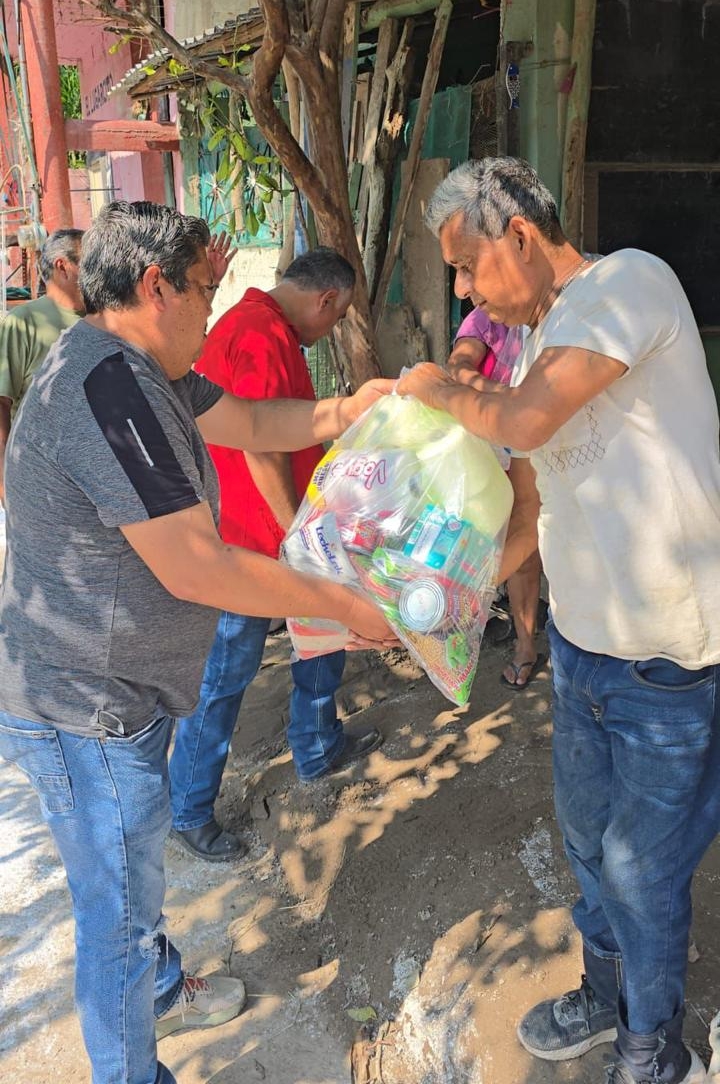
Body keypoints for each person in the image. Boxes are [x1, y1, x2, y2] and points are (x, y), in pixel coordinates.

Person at [0, 200, 396, 1084]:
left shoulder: (144, 370)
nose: (212, 315)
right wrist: (341, 603)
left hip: (112, 696)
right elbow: (196, 567)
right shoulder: (108, 390)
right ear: (156, 287)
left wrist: (345, 409)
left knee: (126, 893)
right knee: (115, 919)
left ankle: (163, 987)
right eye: (204, 294)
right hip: (85, 711)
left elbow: (249, 423)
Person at [397, 157, 719, 1084]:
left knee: (640, 872)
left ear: (522, 236)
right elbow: (533, 502)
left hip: (669, 659)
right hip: (583, 653)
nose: (464, 290)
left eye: (467, 267)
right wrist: (448, 606)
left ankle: (652, 1046)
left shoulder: (629, 283)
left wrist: (434, 389)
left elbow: (527, 424)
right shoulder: (543, 343)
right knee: (587, 848)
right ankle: (607, 996)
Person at [169, 247, 382, 863]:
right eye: (335, 318)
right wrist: (296, 535)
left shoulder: (258, 323)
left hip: (277, 527)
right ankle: (188, 809)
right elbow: (260, 444)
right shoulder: (261, 334)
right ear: (326, 299)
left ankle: (317, 745)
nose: (329, 330)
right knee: (227, 671)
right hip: (250, 538)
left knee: (322, 635)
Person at [446, 307, 544, 689]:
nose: (466, 289)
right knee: (476, 547)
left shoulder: (551, 315)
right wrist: (507, 397)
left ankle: (527, 646)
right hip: (486, 455)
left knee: (529, 551)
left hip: (538, 447)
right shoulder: (485, 318)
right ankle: (456, 643)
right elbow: (459, 366)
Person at [0, 227, 84, 501]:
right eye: (89, 261)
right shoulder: (23, 322)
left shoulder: (106, 319)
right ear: (63, 266)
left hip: (96, 474)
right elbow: (2, 403)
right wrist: (5, 481)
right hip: (42, 479)